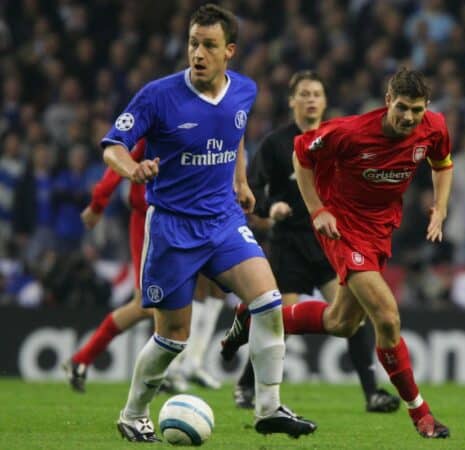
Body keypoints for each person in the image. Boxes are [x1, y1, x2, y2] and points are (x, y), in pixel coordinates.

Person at [101, 4, 316, 442]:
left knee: (270, 302)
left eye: (209, 45)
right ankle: (133, 412)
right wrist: (132, 169)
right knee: (173, 338)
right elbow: (112, 146)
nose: (197, 53)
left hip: (222, 220)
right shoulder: (157, 95)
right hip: (172, 228)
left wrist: (240, 179)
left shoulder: (245, 90)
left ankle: (269, 407)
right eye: (193, 43)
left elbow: (233, 136)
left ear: (229, 51)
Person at [222, 68, 452, 439]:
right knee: (388, 319)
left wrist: (440, 207)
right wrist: (317, 210)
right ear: (389, 100)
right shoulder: (350, 131)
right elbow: (302, 157)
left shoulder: (434, 127)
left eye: (417, 110)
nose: (409, 117)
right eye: (403, 108)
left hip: (381, 230)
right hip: (343, 227)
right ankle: (421, 415)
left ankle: (254, 316)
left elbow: (442, 163)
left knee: (341, 323)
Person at [230, 70, 399, 413]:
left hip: (330, 243)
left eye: (316, 94)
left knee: (352, 315)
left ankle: (373, 394)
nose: (310, 100)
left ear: (324, 101)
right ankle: (247, 384)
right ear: (292, 101)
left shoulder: (337, 138)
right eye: (304, 94)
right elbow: (252, 189)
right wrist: (269, 207)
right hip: (288, 244)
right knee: (280, 323)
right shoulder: (277, 144)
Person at [62, 139, 222, 393]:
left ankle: (182, 365)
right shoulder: (153, 123)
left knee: (201, 291)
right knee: (146, 305)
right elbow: (117, 160)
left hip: (189, 218)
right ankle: (84, 359)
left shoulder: (192, 119)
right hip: (150, 220)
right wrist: (98, 203)